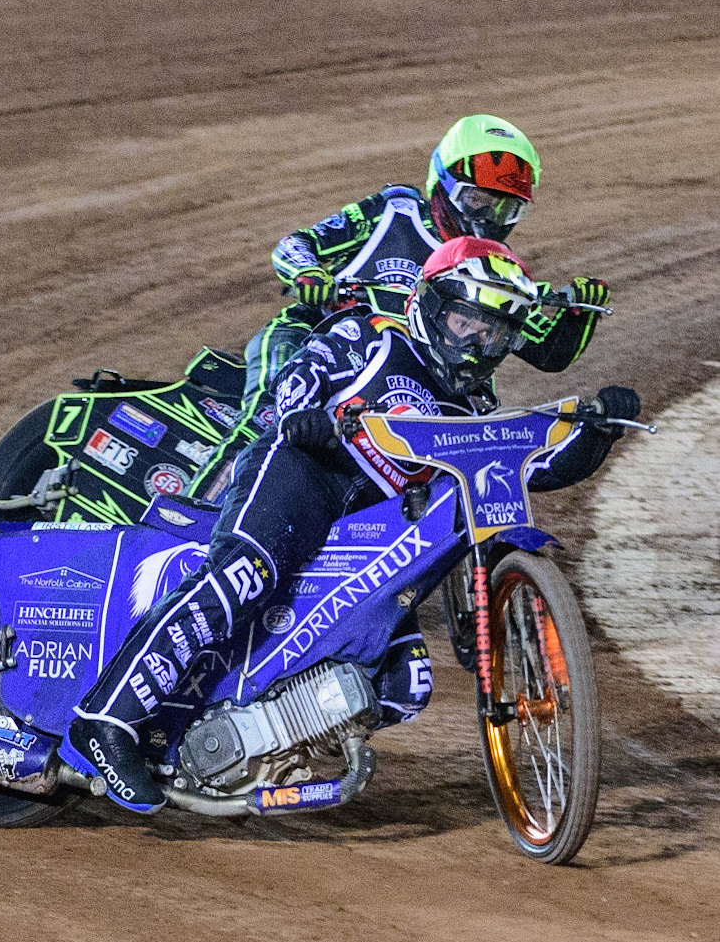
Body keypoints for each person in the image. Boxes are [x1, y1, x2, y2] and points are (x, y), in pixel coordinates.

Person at [60, 237, 639, 813]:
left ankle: (262, 735)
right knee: (241, 578)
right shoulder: (370, 336)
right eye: (467, 321)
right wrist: (308, 418)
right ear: (432, 306)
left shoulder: (472, 408)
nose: (478, 344)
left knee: (404, 684)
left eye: (495, 333)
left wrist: (600, 432)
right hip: (304, 474)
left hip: (369, 526)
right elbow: (295, 381)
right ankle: (106, 720)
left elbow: (534, 467)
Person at [185, 114, 612, 504]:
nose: (491, 217)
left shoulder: (492, 266)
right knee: (268, 415)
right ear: (442, 183)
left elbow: (547, 352)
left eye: (506, 207)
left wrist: (580, 314)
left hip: (414, 376)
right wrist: (310, 275)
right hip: (317, 341)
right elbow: (295, 245)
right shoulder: (395, 210)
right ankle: (187, 515)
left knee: (473, 441)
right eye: (479, 201)